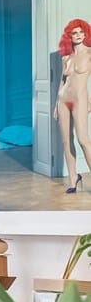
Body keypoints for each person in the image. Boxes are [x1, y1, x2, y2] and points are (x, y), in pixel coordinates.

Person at [56, 19, 91, 194]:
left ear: (86, 33)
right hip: (64, 99)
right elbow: (63, 81)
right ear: (69, 36)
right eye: (74, 33)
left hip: (80, 99)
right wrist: (56, 104)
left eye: (80, 32)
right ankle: (73, 178)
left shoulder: (90, 53)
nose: (78, 35)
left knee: (83, 140)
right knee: (66, 140)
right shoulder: (66, 57)